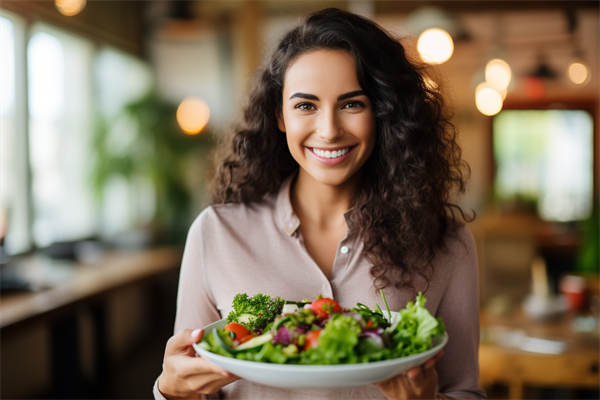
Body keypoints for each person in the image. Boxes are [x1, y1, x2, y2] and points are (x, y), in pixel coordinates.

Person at [154, 8, 486, 400]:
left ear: (383, 112)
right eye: (305, 106)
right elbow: (193, 377)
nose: (328, 131)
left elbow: (465, 392)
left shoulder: (447, 242)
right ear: (279, 115)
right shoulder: (216, 233)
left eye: (352, 104)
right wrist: (171, 390)